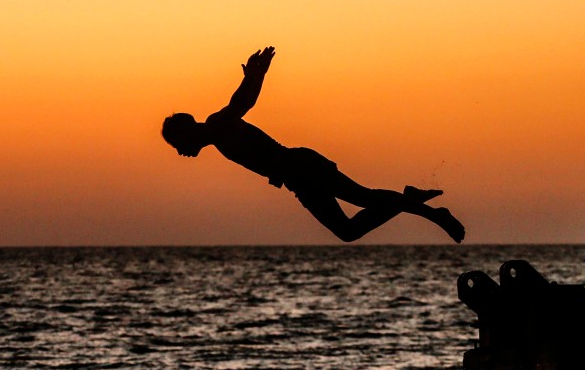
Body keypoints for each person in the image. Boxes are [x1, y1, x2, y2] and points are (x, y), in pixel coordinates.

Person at [161, 46, 465, 243]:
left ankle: (434, 214)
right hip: (299, 182)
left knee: (363, 198)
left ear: (189, 130)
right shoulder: (217, 137)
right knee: (348, 231)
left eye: (177, 143)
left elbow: (242, 102)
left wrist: (255, 76)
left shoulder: (218, 125)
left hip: (303, 166)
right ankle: (409, 199)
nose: (179, 152)